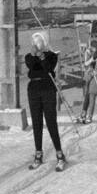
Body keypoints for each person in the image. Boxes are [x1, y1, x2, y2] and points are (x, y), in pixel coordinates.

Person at [25, 31, 66, 168]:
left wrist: (42, 57)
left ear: (44, 42)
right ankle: (38, 153)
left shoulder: (51, 56)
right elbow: (31, 67)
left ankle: (60, 154)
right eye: (34, 42)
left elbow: (48, 68)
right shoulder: (29, 56)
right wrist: (34, 55)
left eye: (38, 41)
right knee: (36, 122)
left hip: (47, 88)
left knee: (50, 121)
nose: (36, 44)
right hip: (34, 90)